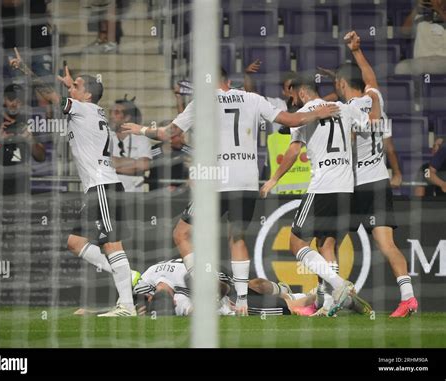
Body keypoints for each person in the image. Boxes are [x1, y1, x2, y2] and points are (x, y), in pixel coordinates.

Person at [120, 67, 340, 315]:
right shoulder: (253, 98)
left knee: (181, 234)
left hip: (217, 180)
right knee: (237, 237)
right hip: (247, 181)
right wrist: (318, 112)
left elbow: (168, 133)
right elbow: (291, 121)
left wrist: (141, 130)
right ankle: (243, 303)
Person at [9, 48, 137, 317]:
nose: (71, 87)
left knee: (112, 245)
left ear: (87, 94)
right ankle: (126, 274)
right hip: (98, 188)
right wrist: (70, 86)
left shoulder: (82, 109)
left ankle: (127, 305)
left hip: (103, 187)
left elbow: (51, 97)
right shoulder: (93, 111)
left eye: (76, 85)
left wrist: (26, 70)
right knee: (74, 242)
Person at [261, 75, 372, 317]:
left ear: (302, 94)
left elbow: (292, 151)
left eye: (292, 97)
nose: (292, 102)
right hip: (347, 187)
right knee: (326, 243)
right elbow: (370, 126)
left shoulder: (304, 115)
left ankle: (339, 284)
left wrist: (273, 179)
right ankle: (330, 303)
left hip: (323, 186)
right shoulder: (344, 108)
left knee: (296, 243)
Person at [343, 31, 418, 317]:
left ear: (340, 84)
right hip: (379, 182)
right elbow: (371, 79)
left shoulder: (347, 110)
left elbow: (347, 146)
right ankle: (408, 298)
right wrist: (358, 51)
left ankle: (329, 298)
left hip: (355, 186)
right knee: (387, 244)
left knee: (328, 239)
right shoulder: (375, 97)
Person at [0, 84, 46, 195]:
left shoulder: (27, 123)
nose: (14, 104)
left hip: (20, 191)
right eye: (11, 99)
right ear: (4, 99)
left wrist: (30, 140)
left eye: (19, 100)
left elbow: (41, 157)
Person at [108, 96, 152, 192]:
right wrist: (134, 164)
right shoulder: (105, 137)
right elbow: (99, 164)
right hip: (109, 195)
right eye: (110, 112)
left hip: (134, 196)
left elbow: (144, 165)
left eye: (116, 112)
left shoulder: (141, 139)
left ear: (127, 117)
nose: (111, 116)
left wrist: (113, 165)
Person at [395, 0, 446, 75]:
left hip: (443, 60)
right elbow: (404, 32)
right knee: (400, 67)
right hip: (421, 60)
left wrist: (438, 10)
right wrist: (416, 10)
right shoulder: (419, 18)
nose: (436, 1)